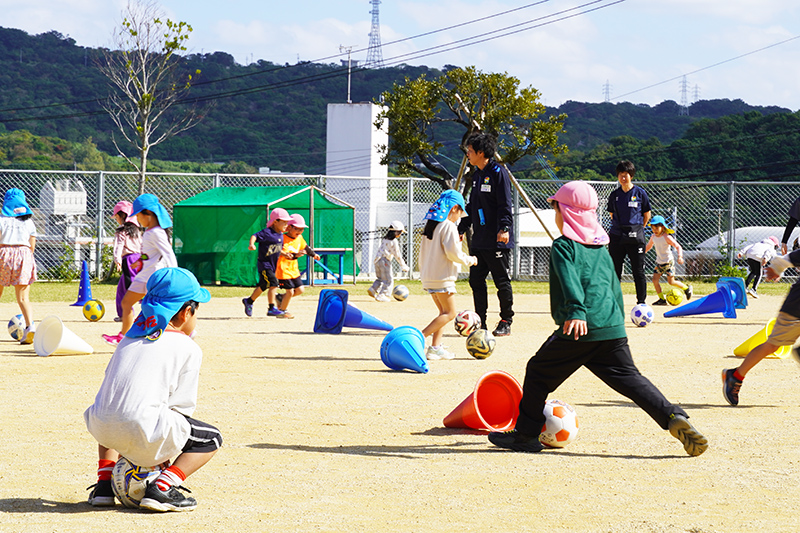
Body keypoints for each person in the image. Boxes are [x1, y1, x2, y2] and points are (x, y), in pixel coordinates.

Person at [488, 181, 707, 457]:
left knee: (537, 372)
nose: (555, 213)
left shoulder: (564, 246)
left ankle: (526, 434)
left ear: (565, 212)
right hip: (611, 328)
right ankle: (673, 417)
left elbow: (569, 281)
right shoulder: (603, 247)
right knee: (631, 379)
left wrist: (576, 311)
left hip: (580, 328)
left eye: (556, 207)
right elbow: (612, 286)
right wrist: (616, 320)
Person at [85, 267, 221, 512]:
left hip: (99, 425)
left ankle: (103, 485)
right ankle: (163, 487)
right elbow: (180, 410)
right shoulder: (187, 347)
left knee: (114, 411)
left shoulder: (127, 339)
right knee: (211, 438)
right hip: (140, 424)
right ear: (186, 312)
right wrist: (159, 455)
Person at [722, 248, 800, 406]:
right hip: (796, 307)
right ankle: (735, 376)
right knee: (772, 345)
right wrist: (776, 268)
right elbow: (786, 259)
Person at [457, 132, 514, 336]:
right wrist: (462, 227)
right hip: (480, 239)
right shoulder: (478, 175)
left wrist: (505, 228)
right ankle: (480, 321)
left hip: (497, 238)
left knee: (501, 281)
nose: (468, 155)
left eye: (470, 151)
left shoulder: (498, 172)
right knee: (476, 280)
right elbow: (473, 206)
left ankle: (506, 320)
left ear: (481, 152)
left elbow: (505, 204)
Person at [103, 194, 177, 346]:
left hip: (152, 277)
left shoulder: (156, 232)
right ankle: (124, 336)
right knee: (128, 303)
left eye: (138, 215)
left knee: (151, 307)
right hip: (143, 275)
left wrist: (174, 273)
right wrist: (139, 260)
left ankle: (181, 330)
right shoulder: (149, 232)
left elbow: (168, 253)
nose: (136, 219)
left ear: (148, 214)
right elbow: (149, 252)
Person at [419, 190, 477, 360]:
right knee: (450, 314)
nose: (460, 216)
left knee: (442, 313)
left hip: (429, 276)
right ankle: (419, 339)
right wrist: (470, 260)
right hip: (442, 277)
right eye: (460, 212)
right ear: (454, 208)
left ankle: (435, 348)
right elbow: (453, 253)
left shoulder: (432, 226)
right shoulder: (448, 226)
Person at [607, 160, 652, 305]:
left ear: (631, 176)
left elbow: (647, 215)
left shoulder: (640, 193)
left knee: (638, 272)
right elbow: (612, 214)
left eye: (625, 175)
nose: (623, 178)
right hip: (617, 237)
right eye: (620, 175)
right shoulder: (614, 195)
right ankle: (614, 301)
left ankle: (641, 302)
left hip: (635, 238)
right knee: (615, 271)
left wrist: (638, 228)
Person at [0, 188, 38, 344]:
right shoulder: (29, 222)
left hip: (3, 253)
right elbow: (32, 246)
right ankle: (30, 327)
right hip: (24, 254)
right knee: (23, 297)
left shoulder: (1, 220)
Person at [242, 207, 291, 318]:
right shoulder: (267, 232)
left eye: (287, 222)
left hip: (272, 265)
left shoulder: (280, 235)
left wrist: (284, 254)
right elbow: (254, 236)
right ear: (275, 222)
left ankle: (249, 301)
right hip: (265, 264)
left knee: (264, 285)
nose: (286, 224)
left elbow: (276, 248)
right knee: (273, 282)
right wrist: (251, 244)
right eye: (284, 222)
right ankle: (271, 308)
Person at [275, 213, 319, 319]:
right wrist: (296, 255)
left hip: (293, 269)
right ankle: (282, 312)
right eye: (297, 229)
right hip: (283, 270)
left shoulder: (299, 238)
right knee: (289, 291)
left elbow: (305, 247)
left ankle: (280, 298)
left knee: (300, 290)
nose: (299, 232)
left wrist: (313, 254)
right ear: (289, 227)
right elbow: (287, 255)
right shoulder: (282, 238)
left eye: (302, 229)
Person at [644, 215, 692, 305]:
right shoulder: (653, 237)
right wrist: (642, 253)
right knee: (655, 280)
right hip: (659, 262)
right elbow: (649, 246)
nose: (654, 230)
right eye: (653, 228)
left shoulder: (667, 237)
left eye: (656, 227)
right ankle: (662, 299)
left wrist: (680, 256)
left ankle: (686, 288)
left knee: (671, 282)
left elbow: (678, 246)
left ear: (663, 227)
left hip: (668, 262)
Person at [111, 200, 143, 322]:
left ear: (121, 215)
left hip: (128, 260)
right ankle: (124, 314)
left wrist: (117, 260)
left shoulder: (121, 231)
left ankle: (145, 305)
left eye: (117, 217)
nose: (116, 220)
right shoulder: (136, 230)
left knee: (133, 286)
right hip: (138, 259)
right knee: (121, 288)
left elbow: (119, 246)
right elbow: (141, 245)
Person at [368, 220, 409, 302]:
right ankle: (382, 295)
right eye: (400, 232)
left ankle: (373, 289)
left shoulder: (385, 239)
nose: (400, 234)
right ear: (396, 232)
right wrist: (403, 265)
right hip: (385, 261)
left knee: (380, 278)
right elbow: (397, 254)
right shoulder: (394, 241)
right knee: (388, 280)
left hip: (377, 260)